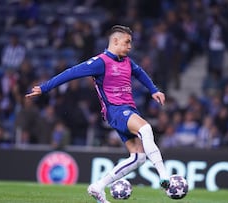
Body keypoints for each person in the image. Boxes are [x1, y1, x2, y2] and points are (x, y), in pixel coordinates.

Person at [25, 25, 170, 203]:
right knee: (146, 129)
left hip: (128, 110)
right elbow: (71, 73)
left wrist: (154, 90)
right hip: (116, 111)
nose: (130, 47)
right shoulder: (100, 62)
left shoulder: (127, 61)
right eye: (127, 42)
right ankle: (164, 176)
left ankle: (98, 187)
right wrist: (44, 87)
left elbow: (139, 73)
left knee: (139, 157)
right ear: (115, 41)